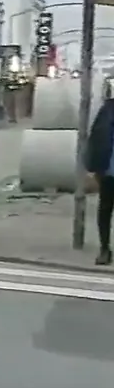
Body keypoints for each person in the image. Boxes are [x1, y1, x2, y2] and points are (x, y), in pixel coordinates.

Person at [84, 94, 114, 265]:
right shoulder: (108, 109)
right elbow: (96, 137)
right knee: (105, 210)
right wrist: (92, 166)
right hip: (109, 169)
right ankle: (104, 248)